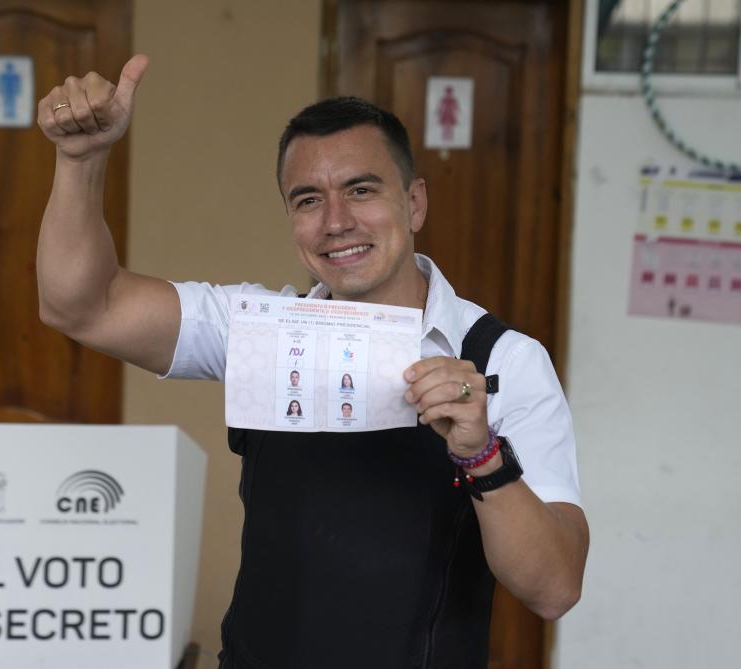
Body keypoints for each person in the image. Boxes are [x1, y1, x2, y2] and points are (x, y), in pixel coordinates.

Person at [36, 55, 588, 669]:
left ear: (415, 203)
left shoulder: (503, 359)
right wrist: (81, 162)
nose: (336, 222)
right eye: (307, 200)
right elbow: (81, 305)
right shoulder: (258, 331)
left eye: (361, 189)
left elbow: (555, 588)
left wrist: (481, 454)